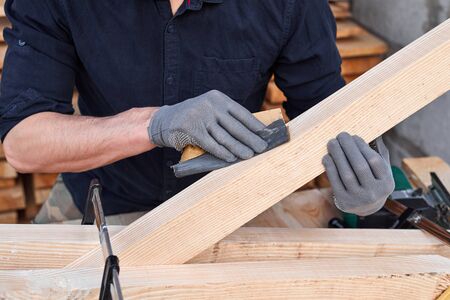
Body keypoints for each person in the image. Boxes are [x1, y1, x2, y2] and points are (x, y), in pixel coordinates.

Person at [0, 0, 394, 225]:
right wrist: (153, 125)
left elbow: (330, 119)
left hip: (228, 203)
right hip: (98, 197)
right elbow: (23, 142)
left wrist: (360, 182)